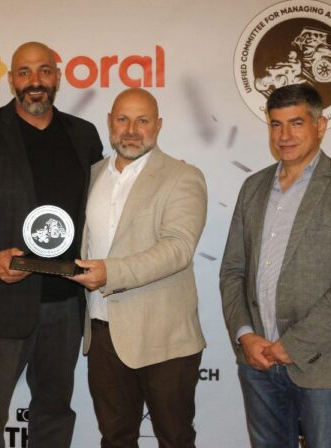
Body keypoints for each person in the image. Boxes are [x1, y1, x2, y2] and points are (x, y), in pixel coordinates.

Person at [0, 41, 103, 448]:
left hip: (65, 304)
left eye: (44, 70)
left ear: (57, 77)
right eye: (24, 72)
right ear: (11, 80)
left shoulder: (84, 136)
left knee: (55, 414)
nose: (35, 81)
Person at [219, 83, 331, 448]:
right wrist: (245, 335)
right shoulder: (253, 188)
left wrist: (293, 345)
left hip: (323, 365)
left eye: (296, 123)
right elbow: (232, 271)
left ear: (320, 126)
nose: (284, 135)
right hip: (258, 362)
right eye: (276, 124)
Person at [69, 88, 208, 448]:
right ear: (109, 123)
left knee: (175, 440)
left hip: (165, 338)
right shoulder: (92, 174)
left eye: (142, 120)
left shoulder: (182, 176)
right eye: (123, 119)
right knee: (115, 439)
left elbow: (178, 249)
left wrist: (111, 273)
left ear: (158, 125)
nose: (131, 130)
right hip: (102, 334)